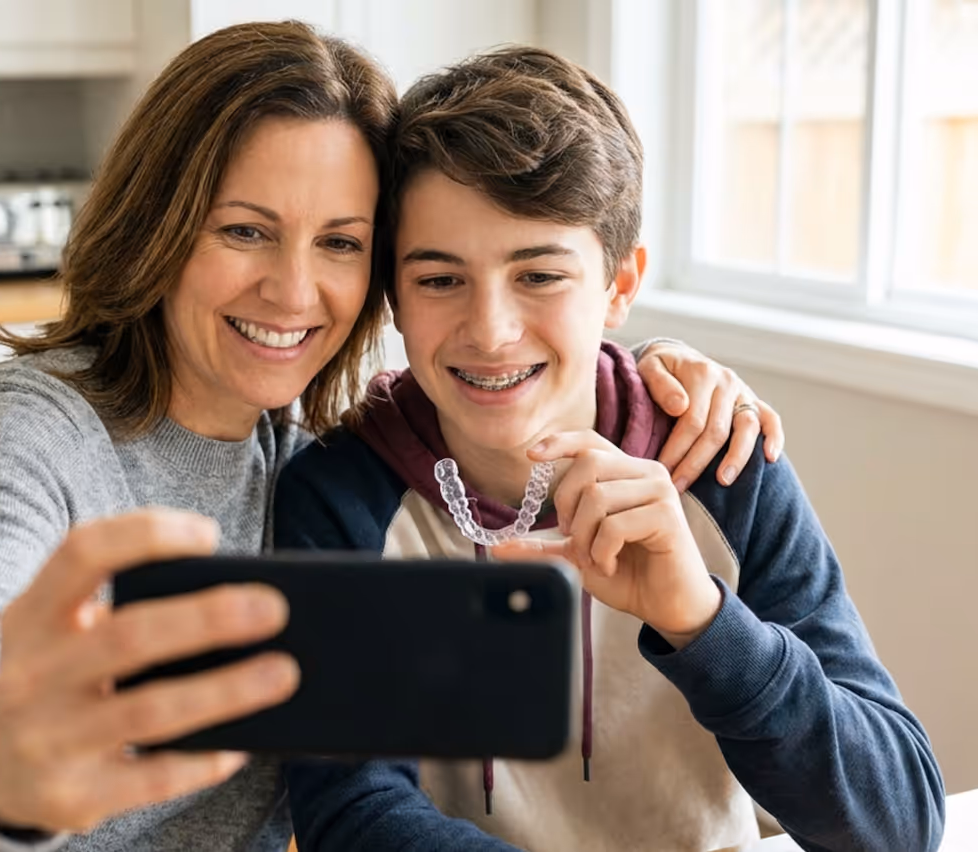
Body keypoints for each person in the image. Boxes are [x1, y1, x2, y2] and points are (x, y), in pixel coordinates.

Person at [0, 23, 783, 852]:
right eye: (243, 230)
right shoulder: (34, 425)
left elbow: (507, 344)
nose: (292, 290)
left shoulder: (307, 445)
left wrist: (646, 359)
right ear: (158, 225)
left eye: (341, 243)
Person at [277, 47, 945, 852]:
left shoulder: (725, 465)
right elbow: (349, 813)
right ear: (394, 295)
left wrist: (702, 621)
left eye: (540, 276)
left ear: (620, 286)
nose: (490, 331)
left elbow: (901, 823)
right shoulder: (339, 498)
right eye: (440, 279)